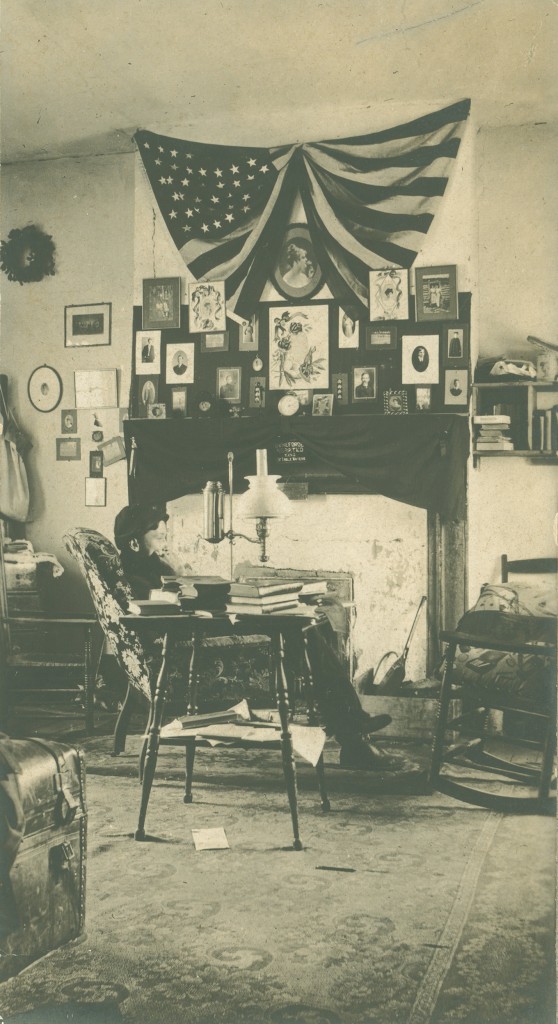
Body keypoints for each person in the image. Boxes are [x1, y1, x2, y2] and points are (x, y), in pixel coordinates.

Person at [114, 504, 414, 772]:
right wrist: (181, 576)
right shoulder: (136, 578)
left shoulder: (153, 567)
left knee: (309, 625)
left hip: (204, 628)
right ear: (134, 543)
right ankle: (352, 734)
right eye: (160, 537)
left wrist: (180, 573)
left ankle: (351, 729)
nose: (166, 544)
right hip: (194, 642)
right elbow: (171, 612)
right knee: (299, 630)